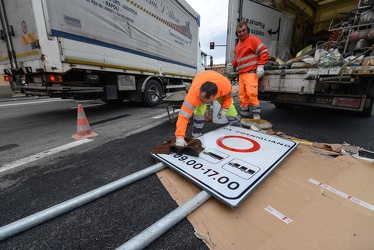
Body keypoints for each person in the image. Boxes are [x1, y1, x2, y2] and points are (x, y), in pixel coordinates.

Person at [174, 70, 240, 147]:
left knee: (230, 108)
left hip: (218, 81)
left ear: (214, 97)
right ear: (199, 92)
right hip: (200, 78)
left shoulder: (225, 87)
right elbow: (183, 116)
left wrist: (224, 108)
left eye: (205, 102)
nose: (203, 103)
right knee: (199, 110)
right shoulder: (193, 95)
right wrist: (179, 137)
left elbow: (228, 97)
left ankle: (237, 128)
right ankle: (196, 132)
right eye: (201, 100)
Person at [230, 21, 269, 120]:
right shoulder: (238, 46)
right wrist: (232, 64)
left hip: (251, 73)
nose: (241, 33)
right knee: (242, 95)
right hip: (242, 74)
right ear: (237, 33)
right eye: (239, 31)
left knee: (251, 93)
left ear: (247, 30)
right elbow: (238, 59)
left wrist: (260, 66)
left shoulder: (253, 40)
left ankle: (256, 113)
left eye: (243, 30)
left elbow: (264, 52)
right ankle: (244, 113)